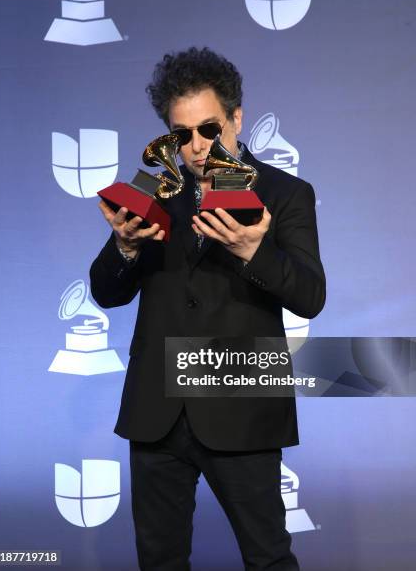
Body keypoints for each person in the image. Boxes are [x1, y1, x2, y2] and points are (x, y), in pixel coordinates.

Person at [90, 47, 326, 571]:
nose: (198, 147)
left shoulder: (285, 194)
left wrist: (253, 251)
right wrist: (125, 247)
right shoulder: (151, 192)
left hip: (240, 406)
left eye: (211, 129)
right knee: (159, 561)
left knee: (267, 559)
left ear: (237, 118)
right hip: (157, 415)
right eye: (183, 134)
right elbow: (106, 293)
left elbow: (311, 295)